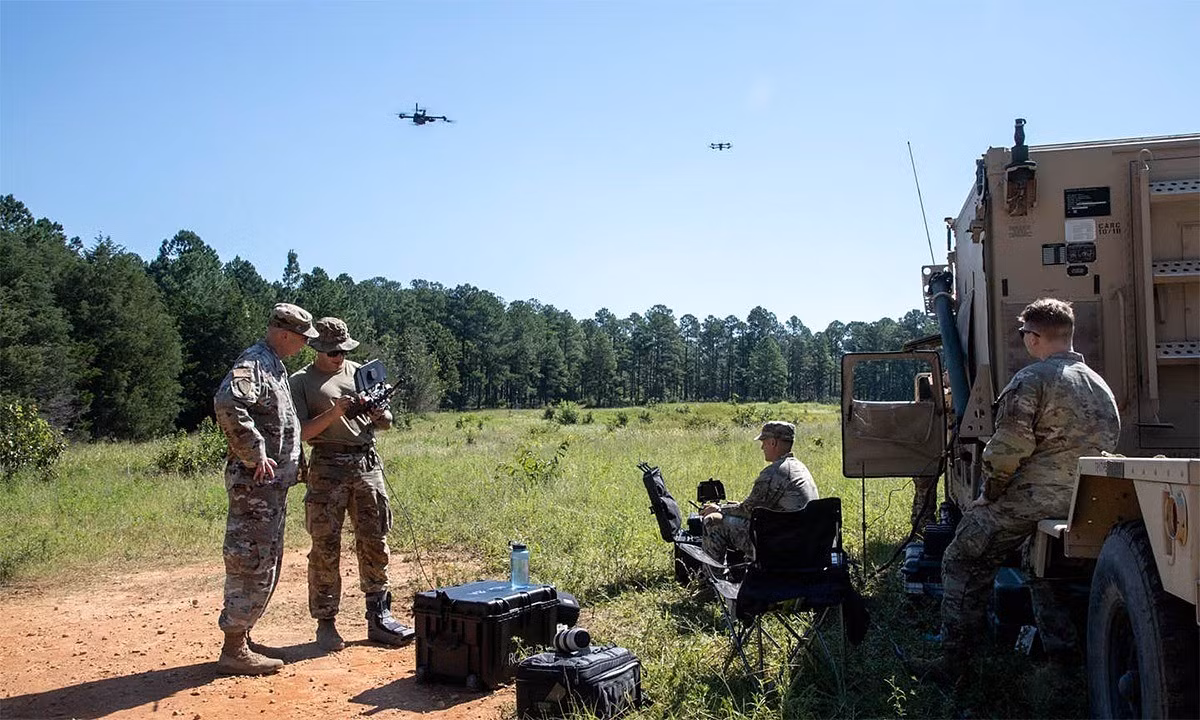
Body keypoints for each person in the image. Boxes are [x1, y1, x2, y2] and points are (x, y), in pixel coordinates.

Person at [916, 298, 1120, 681]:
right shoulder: (1099, 384)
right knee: (1042, 568)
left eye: (1025, 333)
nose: (1024, 339)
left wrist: (989, 492)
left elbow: (1009, 448)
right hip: (1088, 498)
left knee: (962, 558)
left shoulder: (1032, 380)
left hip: (1036, 496)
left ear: (1035, 337)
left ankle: (955, 664)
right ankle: (1063, 664)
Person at [289, 317, 415, 651]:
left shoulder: (360, 373)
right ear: (317, 348)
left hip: (365, 464)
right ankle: (326, 623)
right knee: (325, 546)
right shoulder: (301, 382)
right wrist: (334, 413)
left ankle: (379, 617)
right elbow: (300, 433)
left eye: (343, 350)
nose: (338, 357)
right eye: (332, 351)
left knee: (374, 541)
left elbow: (387, 422)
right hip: (327, 467)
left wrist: (375, 412)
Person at [212, 302, 318, 675]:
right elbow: (227, 402)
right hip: (255, 488)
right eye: (304, 338)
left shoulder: (274, 364)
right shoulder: (255, 362)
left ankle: (243, 636)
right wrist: (254, 454)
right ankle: (234, 647)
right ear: (286, 334)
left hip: (272, 488)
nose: (305, 345)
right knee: (250, 561)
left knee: (266, 560)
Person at [699, 420, 820, 564]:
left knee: (714, 523)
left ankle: (713, 579)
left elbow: (748, 510)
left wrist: (718, 509)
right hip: (803, 540)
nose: (762, 447)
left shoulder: (775, 472)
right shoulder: (799, 468)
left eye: (764, 442)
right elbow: (763, 509)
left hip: (782, 543)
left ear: (773, 443)